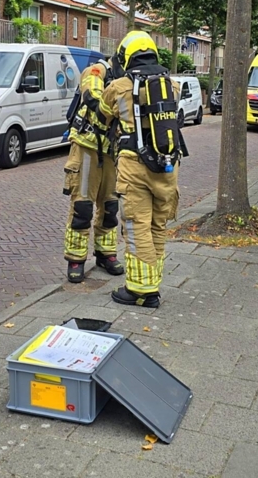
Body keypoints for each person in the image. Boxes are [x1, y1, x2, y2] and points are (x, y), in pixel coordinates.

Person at [99, 32, 183, 309]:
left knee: (137, 227)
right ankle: (152, 283)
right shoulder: (172, 85)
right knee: (158, 226)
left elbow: (103, 112)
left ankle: (140, 291)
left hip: (135, 165)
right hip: (167, 165)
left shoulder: (120, 87)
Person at [63, 54, 124, 283]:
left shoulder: (128, 80)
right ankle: (76, 259)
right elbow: (92, 97)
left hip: (112, 152)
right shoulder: (97, 71)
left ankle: (105, 253)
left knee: (110, 206)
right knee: (83, 206)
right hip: (87, 147)